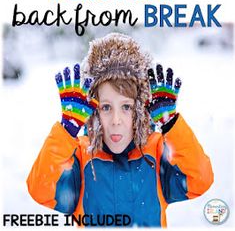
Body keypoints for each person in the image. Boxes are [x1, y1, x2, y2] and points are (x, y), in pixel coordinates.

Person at [27, 33, 214, 227]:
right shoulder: (82, 155)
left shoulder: (156, 154)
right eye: (106, 107)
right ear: (93, 110)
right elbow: (41, 190)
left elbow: (199, 180)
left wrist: (171, 125)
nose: (116, 121)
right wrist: (66, 131)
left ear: (141, 109)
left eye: (126, 107)